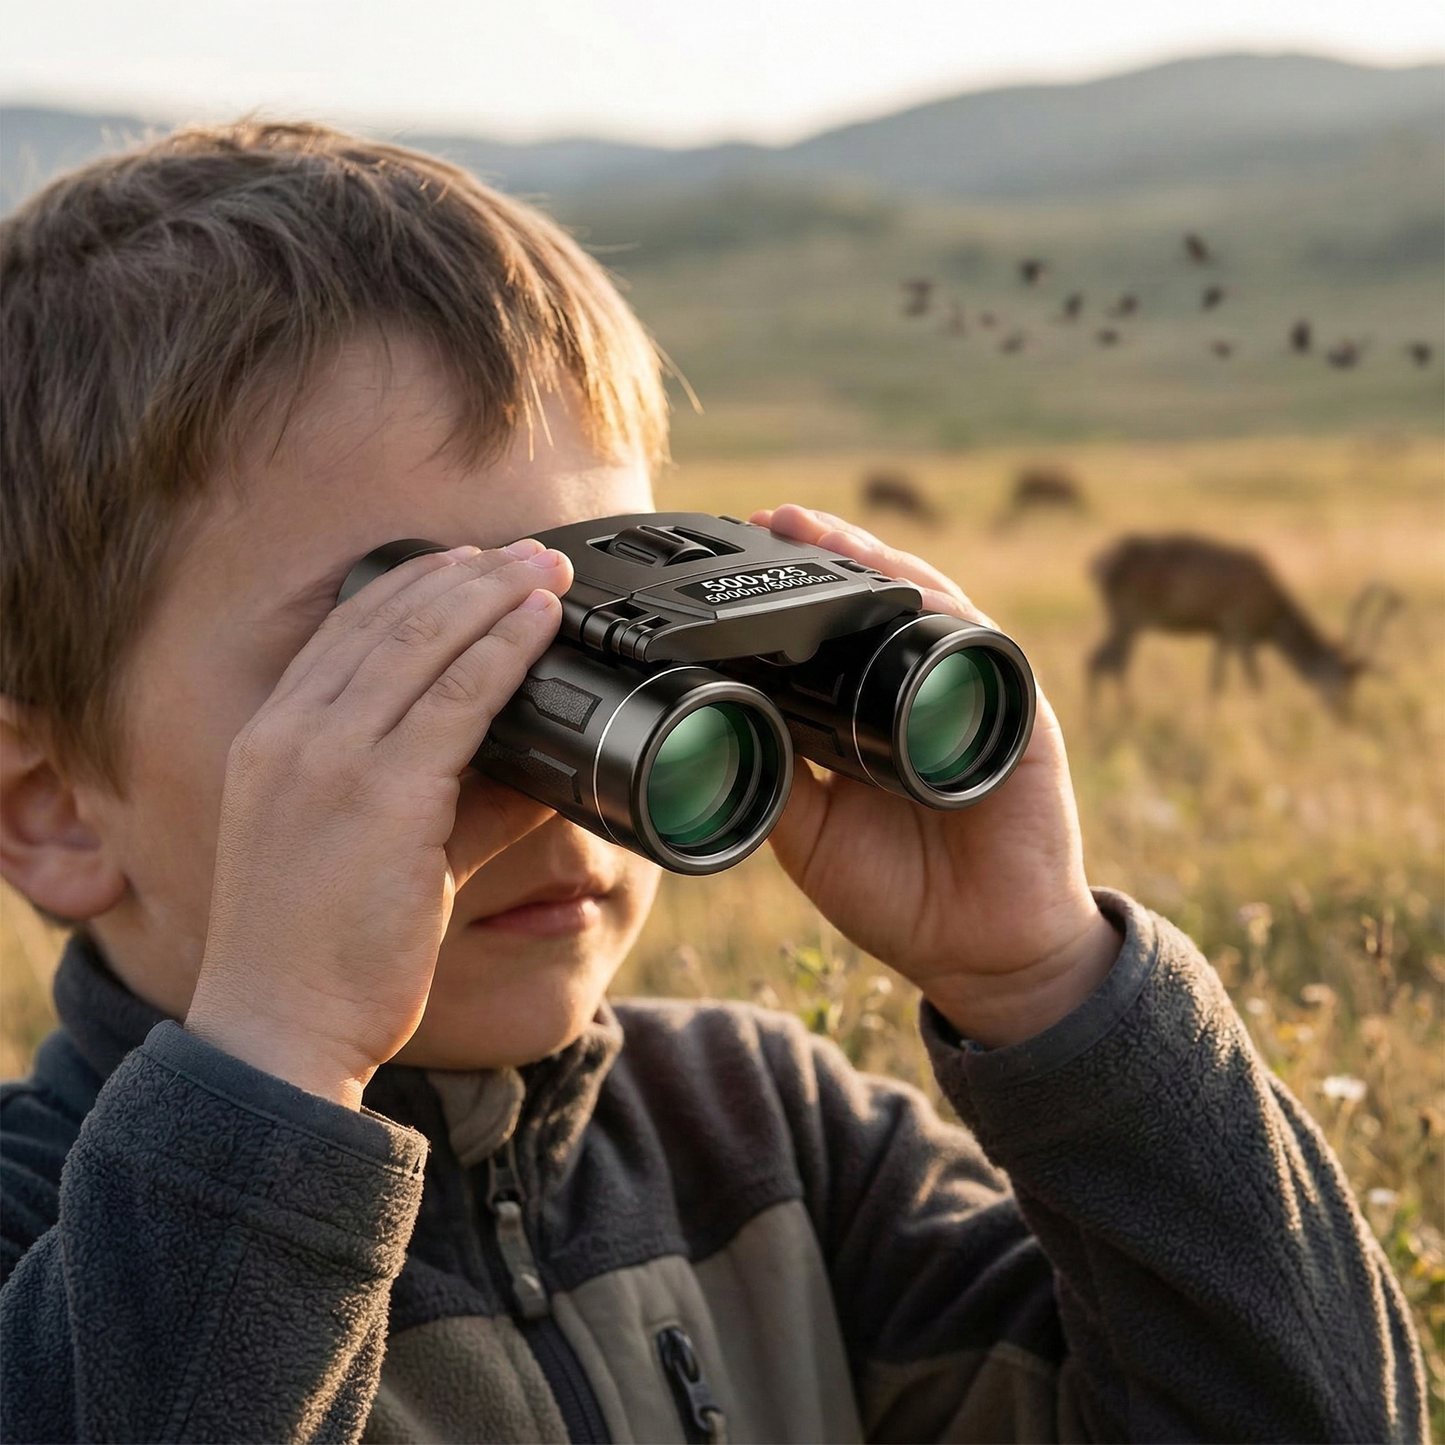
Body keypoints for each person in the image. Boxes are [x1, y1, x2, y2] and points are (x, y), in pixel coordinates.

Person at [0, 123, 1424, 1445]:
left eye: (609, 645)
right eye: (400, 660)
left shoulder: (773, 1147)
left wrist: (1049, 983)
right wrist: (277, 1069)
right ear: (51, 805)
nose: (557, 781)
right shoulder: (37, 1247)